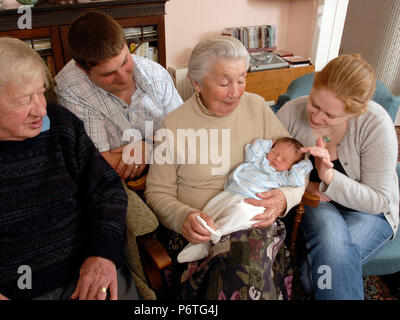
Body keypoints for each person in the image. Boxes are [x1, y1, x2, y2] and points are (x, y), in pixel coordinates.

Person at [0, 37, 138, 300]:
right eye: (24, 100)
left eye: (41, 92)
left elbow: (106, 188)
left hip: (86, 275)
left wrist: (102, 254)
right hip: (2, 290)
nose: (41, 110)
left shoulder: (62, 125)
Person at [145, 36, 307, 300]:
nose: (236, 92)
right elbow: (157, 192)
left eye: (242, 79)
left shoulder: (257, 107)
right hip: (199, 230)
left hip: (254, 220)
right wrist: (183, 216)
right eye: (224, 82)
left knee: (248, 249)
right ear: (196, 82)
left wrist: (283, 198)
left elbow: (298, 164)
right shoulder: (174, 125)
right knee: (246, 260)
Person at [276, 54, 399, 300]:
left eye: (330, 115)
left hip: (370, 213)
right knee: (330, 241)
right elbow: (267, 169)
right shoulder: (290, 113)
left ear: (355, 112)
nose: (317, 117)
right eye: (314, 104)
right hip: (315, 207)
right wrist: (310, 185)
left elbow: (379, 201)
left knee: (315, 273)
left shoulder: (375, 124)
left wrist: (329, 178)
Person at [55, 12, 183, 181]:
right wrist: (163, 145)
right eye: (109, 74)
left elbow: (185, 133)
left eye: (124, 62)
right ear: (82, 68)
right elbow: (97, 164)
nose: (123, 78)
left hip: (173, 174)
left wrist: (149, 147)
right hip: (117, 184)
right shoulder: (70, 88)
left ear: (126, 44)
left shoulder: (155, 73)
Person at [177, 137, 313, 263]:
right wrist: (267, 144)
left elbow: (298, 179)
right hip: (231, 192)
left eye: (285, 160)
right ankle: (200, 242)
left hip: (251, 202)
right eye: (274, 152)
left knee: (241, 213)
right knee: (210, 210)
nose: (277, 159)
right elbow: (251, 150)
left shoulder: (283, 176)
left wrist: (305, 162)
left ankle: (217, 233)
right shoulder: (258, 160)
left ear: (292, 166)